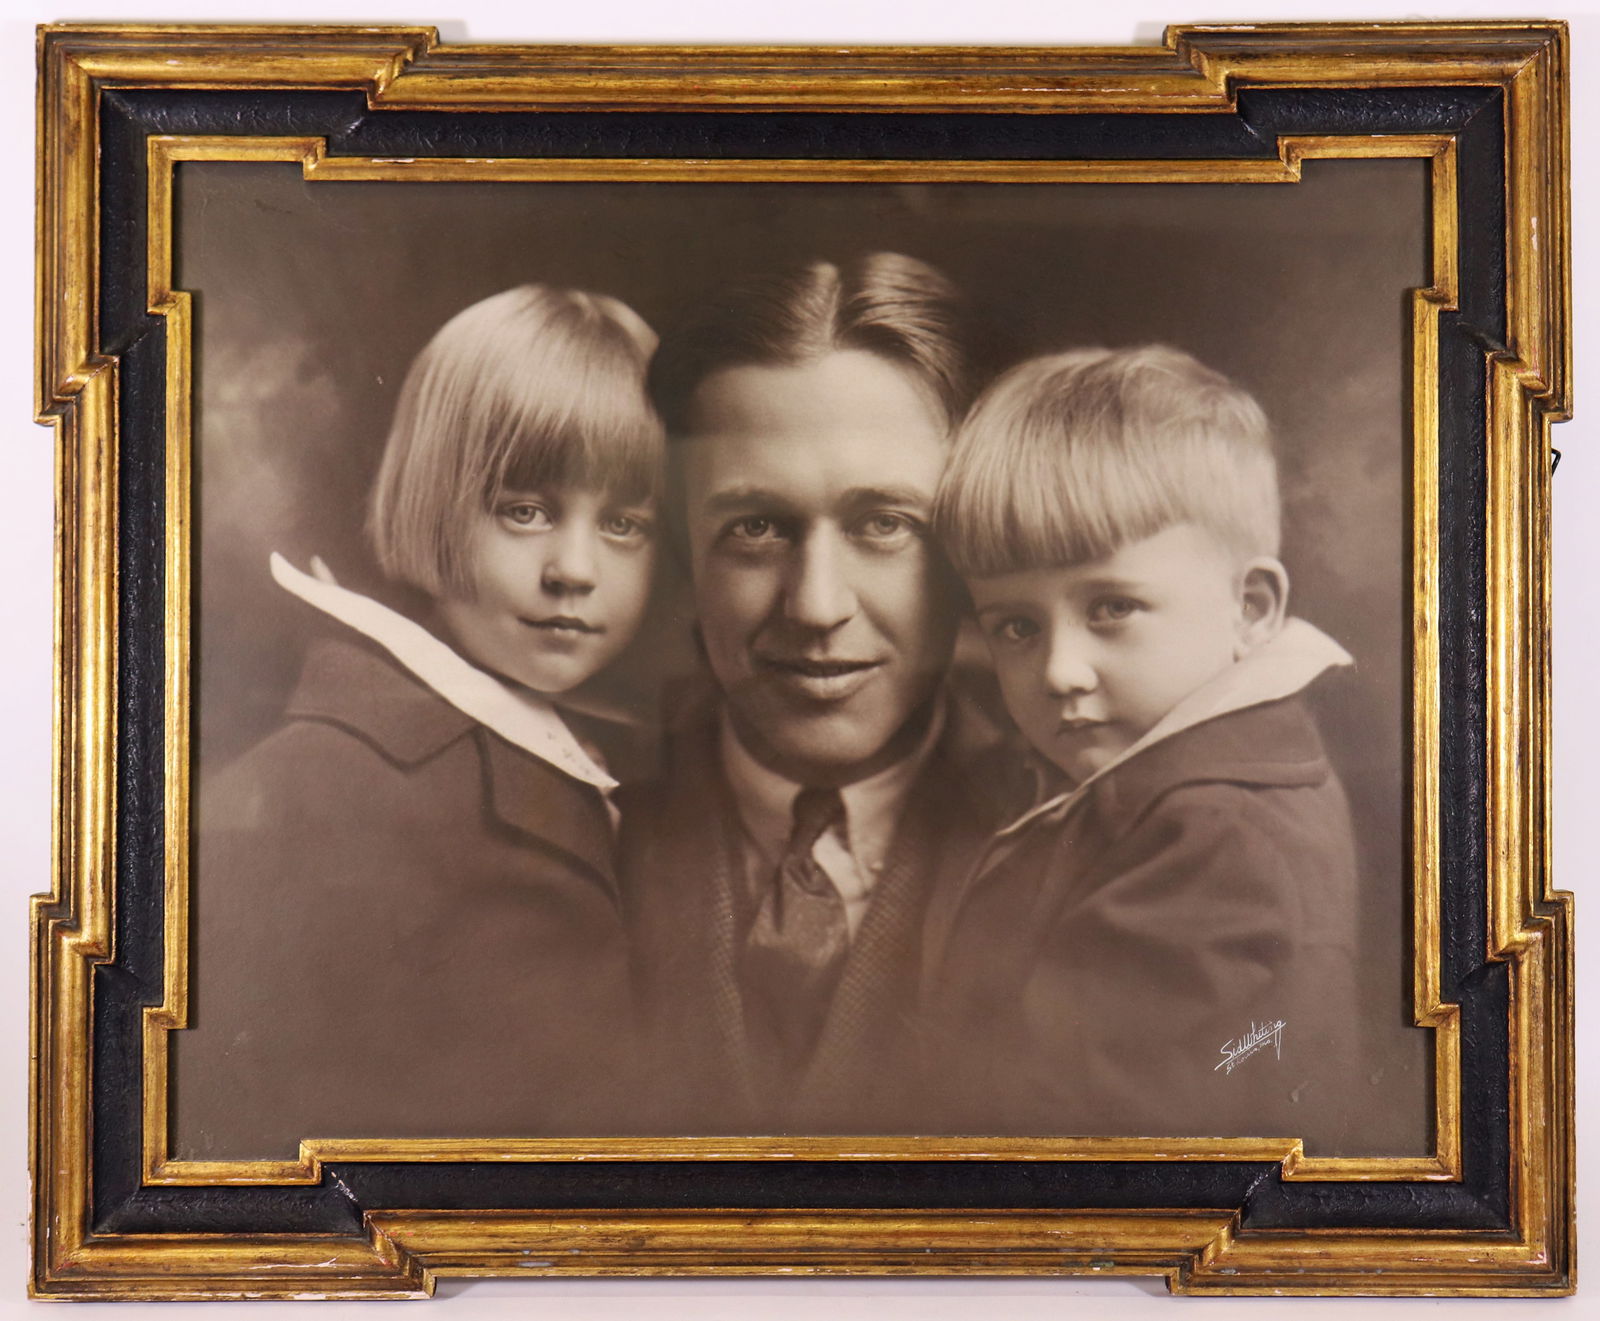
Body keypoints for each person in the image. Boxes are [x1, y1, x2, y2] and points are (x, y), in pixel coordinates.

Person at [173, 284, 663, 1157]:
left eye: (624, 523)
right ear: (433, 499)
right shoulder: (336, 786)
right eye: (525, 510)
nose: (575, 569)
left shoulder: (559, 746)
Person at [926, 344, 1366, 1150]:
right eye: (1016, 626)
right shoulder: (1205, 783)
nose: (1059, 671)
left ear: (1252, 607)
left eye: (1112, 609)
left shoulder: (1213, 834)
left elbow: (1077, 1137)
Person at [621, 253, 1011, 1134]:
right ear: (684, 554)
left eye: (886, 525)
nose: (817, 605)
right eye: (755, 528)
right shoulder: (580, 817)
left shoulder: (1085, 828)